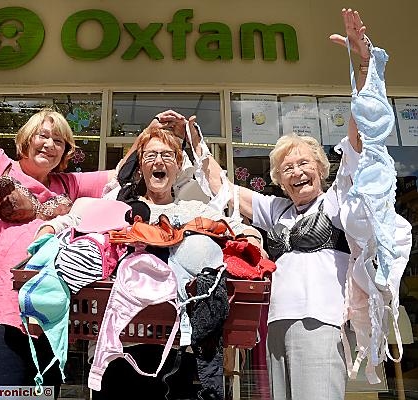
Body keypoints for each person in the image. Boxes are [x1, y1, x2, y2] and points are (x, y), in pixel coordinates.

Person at [165, 8, 411, 400]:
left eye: (303, 163)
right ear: (279, 180)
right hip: (275, 324)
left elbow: (360, 135)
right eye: (286, 168)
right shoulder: (276, 211)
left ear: (320, 168)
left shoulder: (336, 202)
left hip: (320, 321)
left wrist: (361, 65)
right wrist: (191, 139)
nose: (296, 172)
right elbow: (223, 188)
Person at [0, 32, 138, 390]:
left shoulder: (68, 185)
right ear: (26, 139)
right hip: (1, 308)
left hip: (51, 316)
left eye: (59, 141)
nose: (51, 144)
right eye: (44, 136)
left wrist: (151, 135)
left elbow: (124, 171)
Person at [91, 123, 263, 400]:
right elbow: (78, 223)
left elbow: (238, 230)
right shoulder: (121, 207)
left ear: (178, 165)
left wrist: (254, 241)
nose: (159, 161)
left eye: (167, 155)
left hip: (179, 348)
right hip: (122, 345)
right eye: (150, 156)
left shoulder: (193, 209)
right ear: (140, 166)